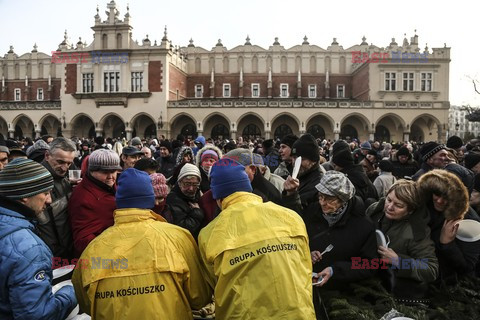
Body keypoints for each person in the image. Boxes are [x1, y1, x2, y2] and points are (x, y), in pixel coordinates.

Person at [72, 168, 212, 319]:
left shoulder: (93, 249)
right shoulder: (178, 237)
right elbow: (199, 297)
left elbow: (83, 302)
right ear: (150, 199)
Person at [198, 158, 316, 319]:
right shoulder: (290, 217)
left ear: (218, 197)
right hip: (299, 314)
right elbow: (305, 266)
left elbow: (211, 284)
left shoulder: (209, 233)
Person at [0, 158, 77, 319]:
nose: (49, 200)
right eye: (45, 193)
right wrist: (70, 292)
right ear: (24, 196)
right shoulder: (29, 248)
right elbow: (38, 315)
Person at [366, 180, 439, 298]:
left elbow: (431, 269)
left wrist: (398, 261)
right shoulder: (375, 211)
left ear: (410, 210)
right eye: (389, 200)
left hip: (390, 292)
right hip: (365, 276)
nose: (389, 207)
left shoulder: (417, 232)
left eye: (399, 205)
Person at [306, 171, 377, 288]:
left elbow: (369, 264)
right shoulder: (311, 211)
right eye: (320, 196)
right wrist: (307, 253)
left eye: (330, 199)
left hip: (342, 291)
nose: (322, 203)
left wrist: (335, 270)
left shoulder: (363, 225)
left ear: (343, 200)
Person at [417, 169, 480, 284]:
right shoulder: (423, 204)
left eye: (447, 197)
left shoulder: (470, 221)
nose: (439, 200)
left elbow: (467, 267)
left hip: (446, 288)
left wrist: (447, 244)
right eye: (437, 194)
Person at [68, 149, 121, 257]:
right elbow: (82, 241)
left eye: (114, 171)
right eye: (105, 172)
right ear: (92, 171)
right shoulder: (83, 197)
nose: (111, 176)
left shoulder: (109, 187)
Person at [38, 137, 76, 260]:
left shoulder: (65, 180)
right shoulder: (37, 181)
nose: (65, 168)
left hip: (65, 248)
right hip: (51, 252)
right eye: (60, 162)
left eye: (69, 163)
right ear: (47, 155)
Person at [283, 133, 326, 215]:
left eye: (302, 159)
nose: (296, 163)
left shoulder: (320, 182)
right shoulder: (300, 174)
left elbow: (305, 214)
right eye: (294, 158)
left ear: (313, 160)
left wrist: (292, 194)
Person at [166, 163, 204, 238]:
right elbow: (183, 228)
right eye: (187, 184)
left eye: (194, 184)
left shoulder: (198, 194)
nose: (191, 188)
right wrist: (197, 212)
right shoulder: (173, 199)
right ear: (179, 183)